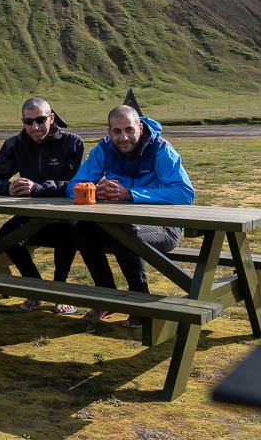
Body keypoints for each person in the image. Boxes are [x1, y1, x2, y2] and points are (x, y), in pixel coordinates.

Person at [66, 105, 194, 326]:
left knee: (123, 234)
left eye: (129, 130)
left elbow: (184, 193)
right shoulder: (104, 149)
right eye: (116, 131)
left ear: (140, 127)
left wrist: (131, 194)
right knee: (82, 228)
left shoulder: (160, 149)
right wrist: (94, 190)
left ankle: (141, 304)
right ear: (109, 132)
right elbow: (74, 186)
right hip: (119, 227)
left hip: (164, 228)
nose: (123, 137)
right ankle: (107, 297)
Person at [0, 96, 85, 314]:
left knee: (69, 230)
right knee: (8, 233)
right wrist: (8, 187)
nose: (35, 127)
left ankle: (59, 291)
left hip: (65, 212)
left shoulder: (72, 142)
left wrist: (38, 188)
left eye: (40, 120)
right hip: (31, 216)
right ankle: (35, 288)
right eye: (28, 122)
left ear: (52, 117)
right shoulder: (14, 144)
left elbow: (77, 184)